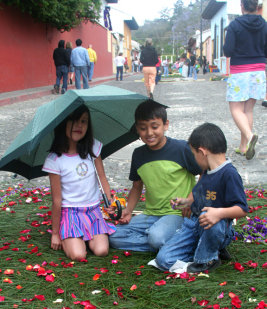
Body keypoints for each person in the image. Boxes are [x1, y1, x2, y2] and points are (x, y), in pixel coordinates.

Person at [109, 100, 202, 253]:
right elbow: (136, 186)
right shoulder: (138, 154)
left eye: (154, 126)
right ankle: (169, 240)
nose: (149, 133)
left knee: (156, 238)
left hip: (177, 213)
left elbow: (205, 174)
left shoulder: (181, 149)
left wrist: (191, 200)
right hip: (151, 214)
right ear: (137, 129)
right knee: (114, 236)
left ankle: (161, 238)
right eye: (143, 128)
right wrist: (128, 209)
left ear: (166, 125)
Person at [154, 123, 248, 274]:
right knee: (164, 259)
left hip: (217, 227)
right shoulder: (206, 171)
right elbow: (199, 193)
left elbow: (242, 209)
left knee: (208, 215)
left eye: (193, 154)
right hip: (194, 224)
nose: (194, 158)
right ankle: (211, 249)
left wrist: (219, 213)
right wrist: (186, 201)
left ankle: (206, 260)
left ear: (202, 152)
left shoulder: (229, 174)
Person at [42, 105, 116, 261]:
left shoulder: (93, 147)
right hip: (71, 213)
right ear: (63, 124)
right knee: (78, 255)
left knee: (101, 250)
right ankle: (69, 234)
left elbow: (102, 177)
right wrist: (55, 233)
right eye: (74, 121)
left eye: (84, 121)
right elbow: (56, 200)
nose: (79, 125)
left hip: (93, 211)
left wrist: (110, 200)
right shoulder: (55, 160)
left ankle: (86, 236)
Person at [223, 0, 267, 159]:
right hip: (259, 72)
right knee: (248, 109)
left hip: (240, 71)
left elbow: (228, 51)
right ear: (257, 7)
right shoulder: (264, 24)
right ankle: (243, 147)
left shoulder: (235, 25)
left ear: (242, 6)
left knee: (235, 108)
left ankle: (249, 137)